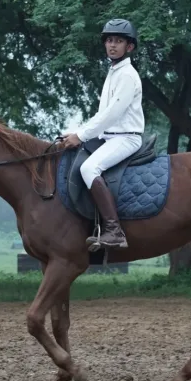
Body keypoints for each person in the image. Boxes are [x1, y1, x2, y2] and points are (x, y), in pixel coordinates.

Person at [63, 18, 145, 248]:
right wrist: (78, 132)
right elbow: (102, 115)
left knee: (89, 168)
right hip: (110, 136)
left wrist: (81, 135)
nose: (112, 45)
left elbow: (111, 115)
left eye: (118, 41)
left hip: (126, 137)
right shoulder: (114, 72)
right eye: (109, 40)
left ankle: (114, 230)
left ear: (129, 47)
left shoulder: (127, 75)